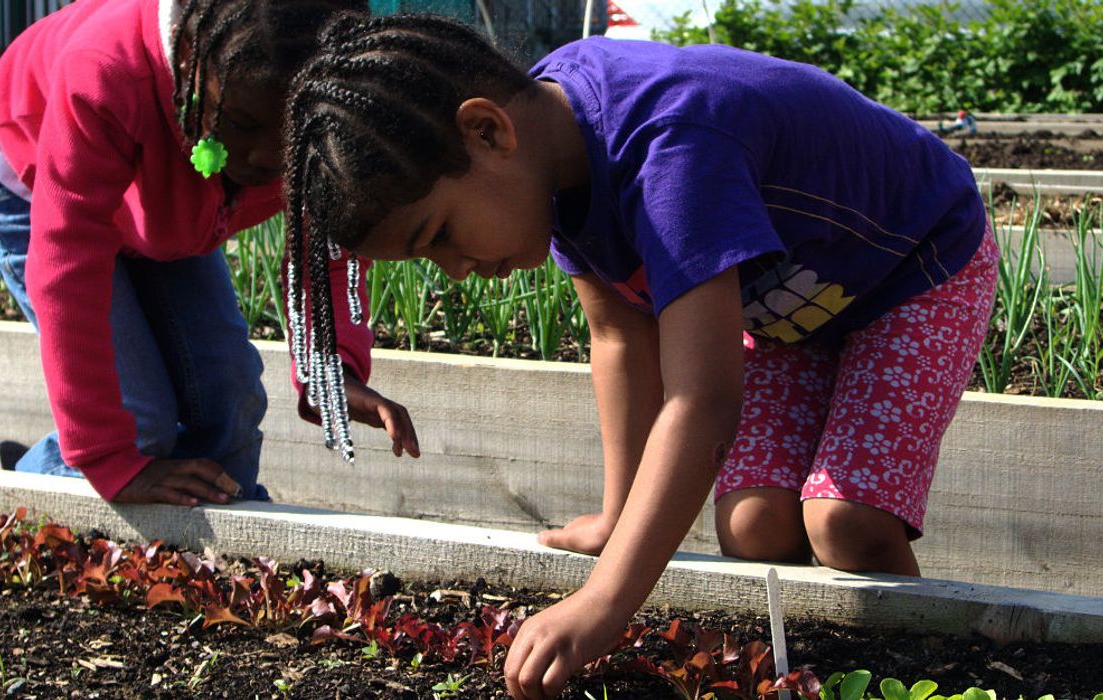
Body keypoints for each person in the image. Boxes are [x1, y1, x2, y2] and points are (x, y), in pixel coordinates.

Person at [279, 13, 999, 699]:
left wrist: (603, 603)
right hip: (794, 304)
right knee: (753, 528)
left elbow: (701, 402)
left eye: (437, 235)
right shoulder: (547, 152)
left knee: (847, 524)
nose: (455, 268)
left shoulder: (671, 149)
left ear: (486, 130)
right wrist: (615, 517)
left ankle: (929, 673)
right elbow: (620, 336)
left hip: (916, 264)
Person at [0, 0, 420, 507]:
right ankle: (10, 480)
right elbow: (68, 269)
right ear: (189, 63)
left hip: (164, 206)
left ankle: (221, 534)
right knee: (139, 426)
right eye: (245, 124)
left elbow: (325, 249)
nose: (266, 159)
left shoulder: (308, 110)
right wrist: (111, 462)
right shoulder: (106, 74)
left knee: (229, 397)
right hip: (31, 180)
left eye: (291, 140)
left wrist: (330, 369)